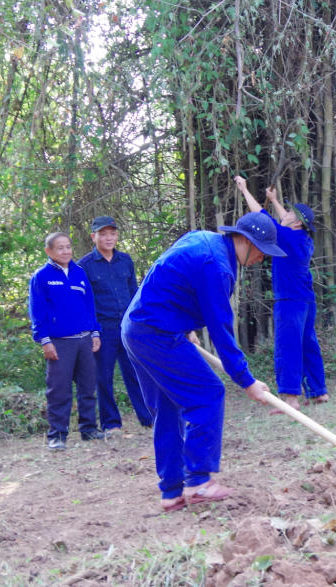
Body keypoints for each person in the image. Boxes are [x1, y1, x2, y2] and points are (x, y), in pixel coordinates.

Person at [121, 212, 284, 512]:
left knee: (168, 407)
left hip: (135, 328)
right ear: (245, 240)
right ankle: (198, 482)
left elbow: (172, 280)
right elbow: (221, 330)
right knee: (208, 394)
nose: (262, 258)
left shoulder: (203, 239)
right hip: (157, 333)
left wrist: (185, 325)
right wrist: (246, 381)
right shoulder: (217, 267)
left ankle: (171, 493)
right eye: (261, 250)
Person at [234, 176, 328, 410]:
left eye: (290, 214)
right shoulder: (302, 239)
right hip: (306, 300)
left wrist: (245, 190)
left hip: (289, 301)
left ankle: (290, 399)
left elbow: (261, 218)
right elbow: (285, 218)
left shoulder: (286, 237)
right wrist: (274, 199)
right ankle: (318, 392)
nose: (284, 214)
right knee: (307, 345)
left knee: (288, 347)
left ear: (296, 223)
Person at [29, 232, 104, 451]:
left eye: (68, 247)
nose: (65, 251)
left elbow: (89, 305)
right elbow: (37, 311)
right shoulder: (41, 276)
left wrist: (95, 332)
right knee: (59, 390)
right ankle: (57, 435)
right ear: (49, 251)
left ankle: (89, 429)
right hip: (59, 342)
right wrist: (44, 340)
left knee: (88, 386)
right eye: (60, 248)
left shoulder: (79, 272)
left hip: (84, 339)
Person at [78, 216, 152, 435]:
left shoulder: (125, 260)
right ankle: (111, 424)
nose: (108, 238)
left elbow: (134, 293)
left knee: (136, 372)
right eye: (103, 234)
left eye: (112, 233)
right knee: (104, 377)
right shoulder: (85, 266)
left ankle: (148, 418)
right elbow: (84, 303)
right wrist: (93, 332)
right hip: (103, 330)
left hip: (128, 328)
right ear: (94, 237)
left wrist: (140, 322)